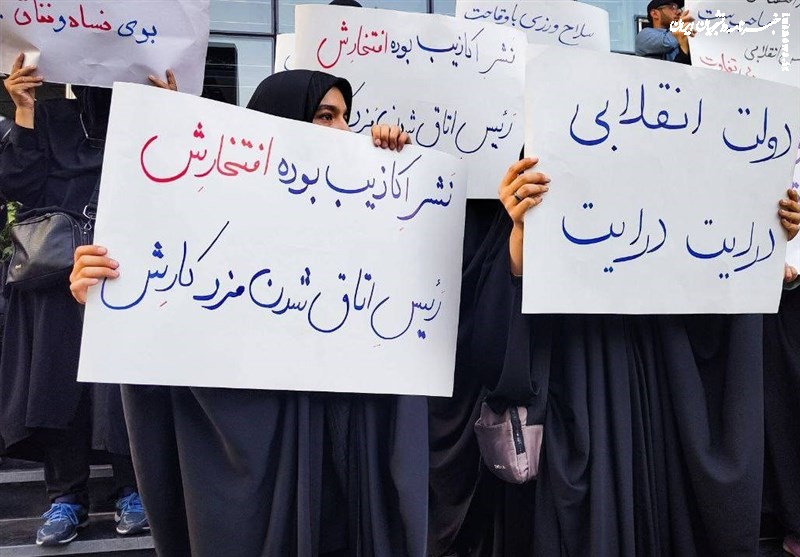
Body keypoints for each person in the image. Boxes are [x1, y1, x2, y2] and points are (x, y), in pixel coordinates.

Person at [70, 69, 426, 557]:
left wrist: (398, 171)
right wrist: (109, 292)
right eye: (325, 116)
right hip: (248, 450)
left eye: (347, 117)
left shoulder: (361, 211)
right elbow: (169, 322)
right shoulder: (212, 219)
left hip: (343, 454)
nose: (344, 131)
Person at [432, 156, 800, 556]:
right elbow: (491, 340)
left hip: (660, 398)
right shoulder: (534, 170)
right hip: (569, 406)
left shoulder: (673, 186)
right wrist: (520, 231)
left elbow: (710, 306)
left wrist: (763, 240)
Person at [0, 53, 176, 546]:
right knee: (59, 381)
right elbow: (15, 186)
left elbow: (177, 184)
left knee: (123, 381)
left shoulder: (146, 119)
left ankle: (133, 489)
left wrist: (171, 118)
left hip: (129, 270)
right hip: (57, 276)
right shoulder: (50, 117)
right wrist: (25, 110)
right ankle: (65, 497)